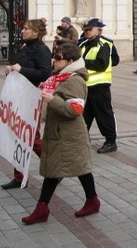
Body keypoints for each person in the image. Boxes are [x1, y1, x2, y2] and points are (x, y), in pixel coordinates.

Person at [21, 42, 101, 225]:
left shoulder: (74, 80)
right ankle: (91, 200)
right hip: (60, 132)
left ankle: (43, 209)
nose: (54, 61)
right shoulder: (59, 77)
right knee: (69, 169)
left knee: (61, 171)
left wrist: (51, 100)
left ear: (69, 61)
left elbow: (75, 109)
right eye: (54, 57)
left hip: (68, 134)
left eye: (58, 58)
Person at [1, 18, 53, 189]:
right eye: (23, 28)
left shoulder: (42, 50)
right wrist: (10, 70)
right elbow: (17, 67)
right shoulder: (25, 48)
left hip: (31, 98)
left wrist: (21, 69)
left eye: (25, 29)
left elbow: (45, 73)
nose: (22, 31)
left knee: (33, 138)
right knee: (18, 136)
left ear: (36, 33)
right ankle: (19, 176)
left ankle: (54, 169)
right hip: (18, 96)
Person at [79, 18, 120, 153]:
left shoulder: (104, 44)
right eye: (85, 30)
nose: (87, 32)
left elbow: (104, 64)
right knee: (85, 116)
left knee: (104, 114)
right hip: (86, 86)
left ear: (99, 30)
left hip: (100, 86)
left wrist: (83, 63)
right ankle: (82, 140)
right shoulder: (84, 44)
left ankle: (110, 141)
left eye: (90, 30)